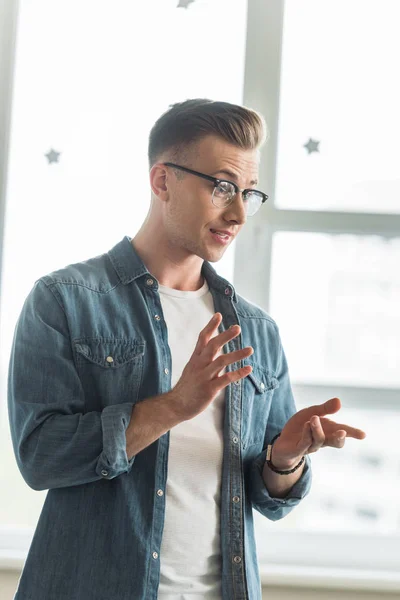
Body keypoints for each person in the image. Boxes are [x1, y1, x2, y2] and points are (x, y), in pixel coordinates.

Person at [8, 99, 366, 600]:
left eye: (248, 192)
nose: (238, 212)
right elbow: (40, 457)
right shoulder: (64, 302)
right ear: (162, 182)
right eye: (222, 187)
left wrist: (284, 460)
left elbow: (272, 499)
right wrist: (176, 405)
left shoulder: (256, 331)